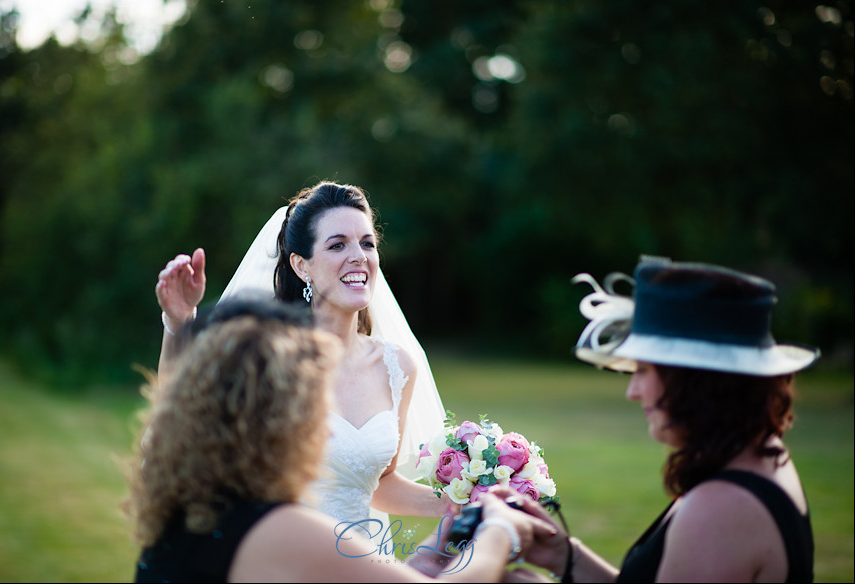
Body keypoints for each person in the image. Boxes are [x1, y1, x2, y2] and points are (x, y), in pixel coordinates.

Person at [126, 295, 556, 582]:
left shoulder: (188, 517)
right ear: (279, 420)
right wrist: (499, 531)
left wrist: (437, 545)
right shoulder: (279, 527)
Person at [154, 181, 450, 537]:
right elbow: (177, 425)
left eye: (367, 243)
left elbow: (377, 483)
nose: (359, 256)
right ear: (301, 266)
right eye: (338, 244)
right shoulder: (266, 360)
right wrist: (179, 322)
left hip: (369, 561)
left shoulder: (397, 367)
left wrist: (462, 502)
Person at [512, 256, 819, 583]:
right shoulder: (757, 458)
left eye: (643, 370)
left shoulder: (721, 508)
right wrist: (565, 557)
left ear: (694, 381)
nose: (633, 391)